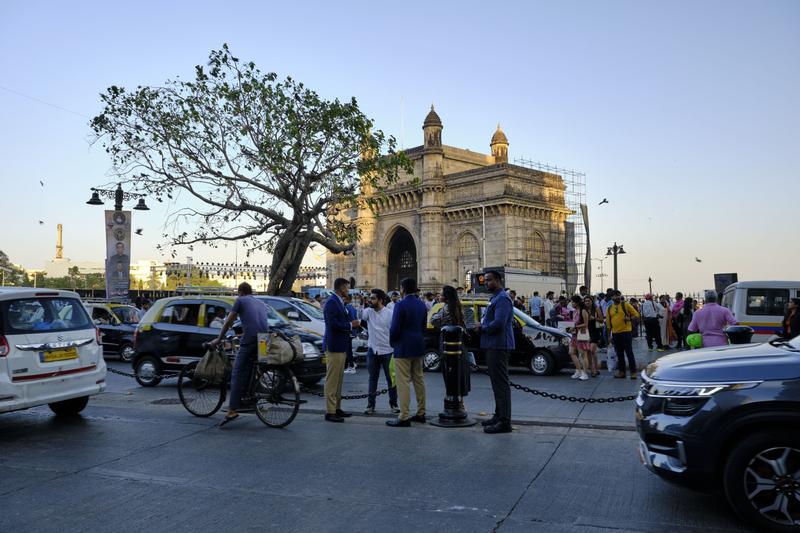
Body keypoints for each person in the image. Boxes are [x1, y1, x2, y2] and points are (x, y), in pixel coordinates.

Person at [209, 282, 269, 426]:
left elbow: (229, 321)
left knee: (237, 371)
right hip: (264, 340)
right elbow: (257, 323)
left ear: (241, 292)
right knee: (255, 369)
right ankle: (250, 399)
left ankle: (232, 410)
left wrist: (219, 339)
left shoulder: (240, 300)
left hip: (251, 339)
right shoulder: (260, 303)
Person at [474, 270, 514, 434]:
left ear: (498, 280)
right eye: (485, 280)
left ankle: (505, 422)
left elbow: (499, 323)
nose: (486, 283)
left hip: (499, 345)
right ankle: (498, 416)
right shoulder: (496, 298)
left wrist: (481, 327)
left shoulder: (503, 299)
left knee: (501, 384)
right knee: (496, 384)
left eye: (489, 280)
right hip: (493, 344)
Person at [386, 278, 428, 427]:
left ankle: (404, 415)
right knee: (419, 379)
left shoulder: (400, 305)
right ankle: (421, 412)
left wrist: (393, 342)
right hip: (418, 345)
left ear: (402, 288)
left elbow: (395, 328)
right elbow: (424, 327)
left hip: (403, 346)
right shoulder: (422, 305)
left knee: (402, 381)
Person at [321, 278, 361, 423]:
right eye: (346, 287)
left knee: (338, 380)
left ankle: (337, 408)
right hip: (334, 345)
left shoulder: (338, 301)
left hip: (341, 345)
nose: (348, 290)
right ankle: (330, 411)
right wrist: (351, 325)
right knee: (332, 380)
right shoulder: (332, 302)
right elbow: (333, 324)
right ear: (341, 288)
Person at [360, 289, 399, 414]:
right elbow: (360, 315)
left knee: (391, 379)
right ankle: (370, 405)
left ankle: (394, 404)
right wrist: (362, 302)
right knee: (373, 379)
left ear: (381, 300)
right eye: (370, 298)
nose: (371, 300)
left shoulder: (390, 314)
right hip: (373, 350)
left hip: (388, 350)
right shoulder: (368, 312)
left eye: (373, 298)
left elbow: (394, 331)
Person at [606, 290, 640, 379]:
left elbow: (636, 315)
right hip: (615, 333)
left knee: (629, 353)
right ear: (612, 297)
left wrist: (629, 318)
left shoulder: (626, 305)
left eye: (618, 295)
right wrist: (609, 336)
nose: (617, 297)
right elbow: (608, 324)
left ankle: (633, 372)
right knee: (619, 354)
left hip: (626, 332)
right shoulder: (609, 308)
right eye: (615, 296)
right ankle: (622, 372)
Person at [569, 295, 590, 381]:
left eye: (573, 302)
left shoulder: (583, 311)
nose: (572, 303)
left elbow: (586, 324)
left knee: (583, 354)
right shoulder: (574, 312)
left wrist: (575, 327)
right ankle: (578, 370)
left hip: (581, 334)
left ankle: (585, 373)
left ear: (577, 302)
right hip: (574, 334)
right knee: (571, 352)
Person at [584, 295, 601, 377]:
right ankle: (593, 369)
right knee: (588, 351)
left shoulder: (596, 309)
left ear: (592, 301)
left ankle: (595, 369)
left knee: (592, 350)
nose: (587, 302)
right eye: (586, 301)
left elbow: (601, 319)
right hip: (586, 331)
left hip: (595, 331)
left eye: (588, 301)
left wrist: (594, 318)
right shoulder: (583, 310)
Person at [343, 294, 358, 374]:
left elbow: (350, 319)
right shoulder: (353, 308)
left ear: (347, 299)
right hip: (353, 331)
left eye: (344, 299)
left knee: (348, 350)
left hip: (349, 330)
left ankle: (351, 366)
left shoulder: (347, 308)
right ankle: (352, 364)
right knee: (349, 349)